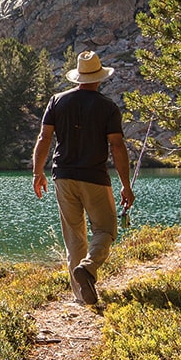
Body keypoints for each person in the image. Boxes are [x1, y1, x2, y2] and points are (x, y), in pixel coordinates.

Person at [32, 50, 135, 306]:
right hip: (94, 177)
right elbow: (117, 146)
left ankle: (81, 296)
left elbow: (44, 138)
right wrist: (125, 184)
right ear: (99, 77)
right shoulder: (108, 107)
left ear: (78, 76)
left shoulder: (57, 101)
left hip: (62, 176)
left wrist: (37, 172)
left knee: (74, 236)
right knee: (107, 229)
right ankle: (88, 268)